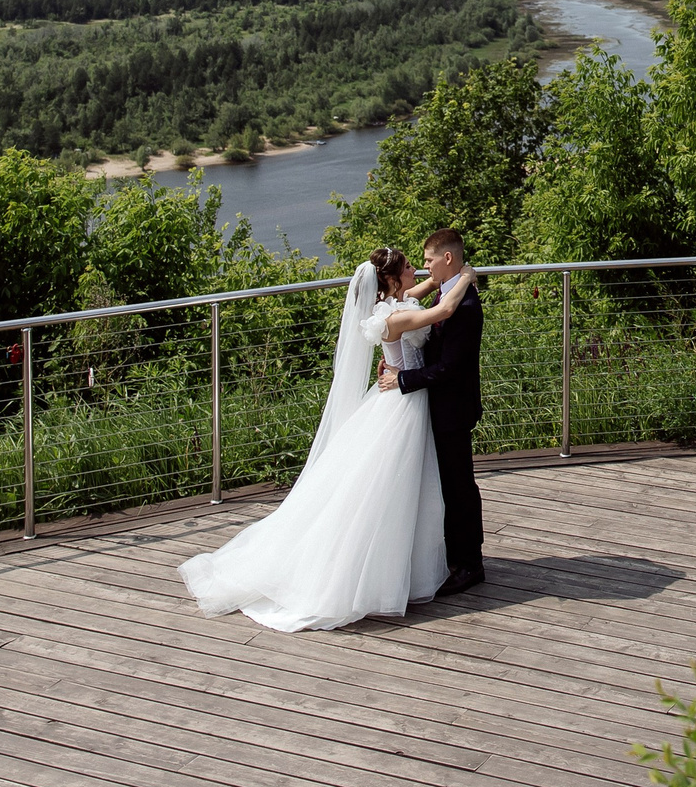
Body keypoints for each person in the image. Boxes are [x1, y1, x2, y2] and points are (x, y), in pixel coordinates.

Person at [175, 244, 476, 630]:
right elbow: (444, 310)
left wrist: (437, 278)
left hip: (407, 399)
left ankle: (407, 565)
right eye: (407, 267)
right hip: (402, 403)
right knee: (385, 488)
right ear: (389, 278)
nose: (415, 270)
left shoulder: (389, 308)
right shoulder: (393, 317)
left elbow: (417, 295)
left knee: (403, 487)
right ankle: (368, 573)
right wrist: (464, 276)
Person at [382, 226, 485, 596]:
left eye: (428, 260)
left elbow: (451, 368)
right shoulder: (444, 294)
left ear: (447, 258)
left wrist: (403, 379)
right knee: (445, 486)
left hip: (452, 408)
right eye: (418, 263)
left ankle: (471, 563)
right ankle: (453, 556)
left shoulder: (466, 306)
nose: (424, 268)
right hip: (433, 406)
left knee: (459, 487)